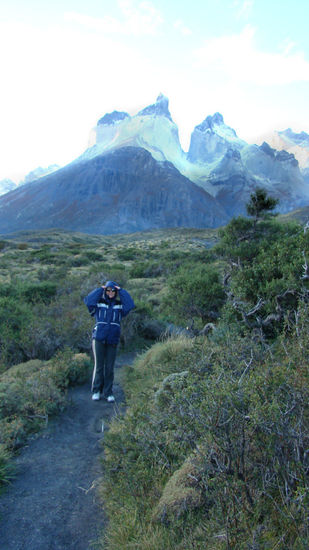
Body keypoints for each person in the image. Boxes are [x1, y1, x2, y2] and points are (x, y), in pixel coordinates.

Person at [84, 280, 135, 402]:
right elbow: (88, 301)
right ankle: (96, 390)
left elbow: (130, 304)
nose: (110, 292)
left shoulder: (119, 306)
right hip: (99, 338)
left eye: (113, 290)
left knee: (110, 367)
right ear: (105, 291)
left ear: (116, 292)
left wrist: (121, 290)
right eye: (108, 290)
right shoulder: (99, 304)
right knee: (99, 366)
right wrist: (100, 289)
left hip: (113, 339)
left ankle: (108, 392)